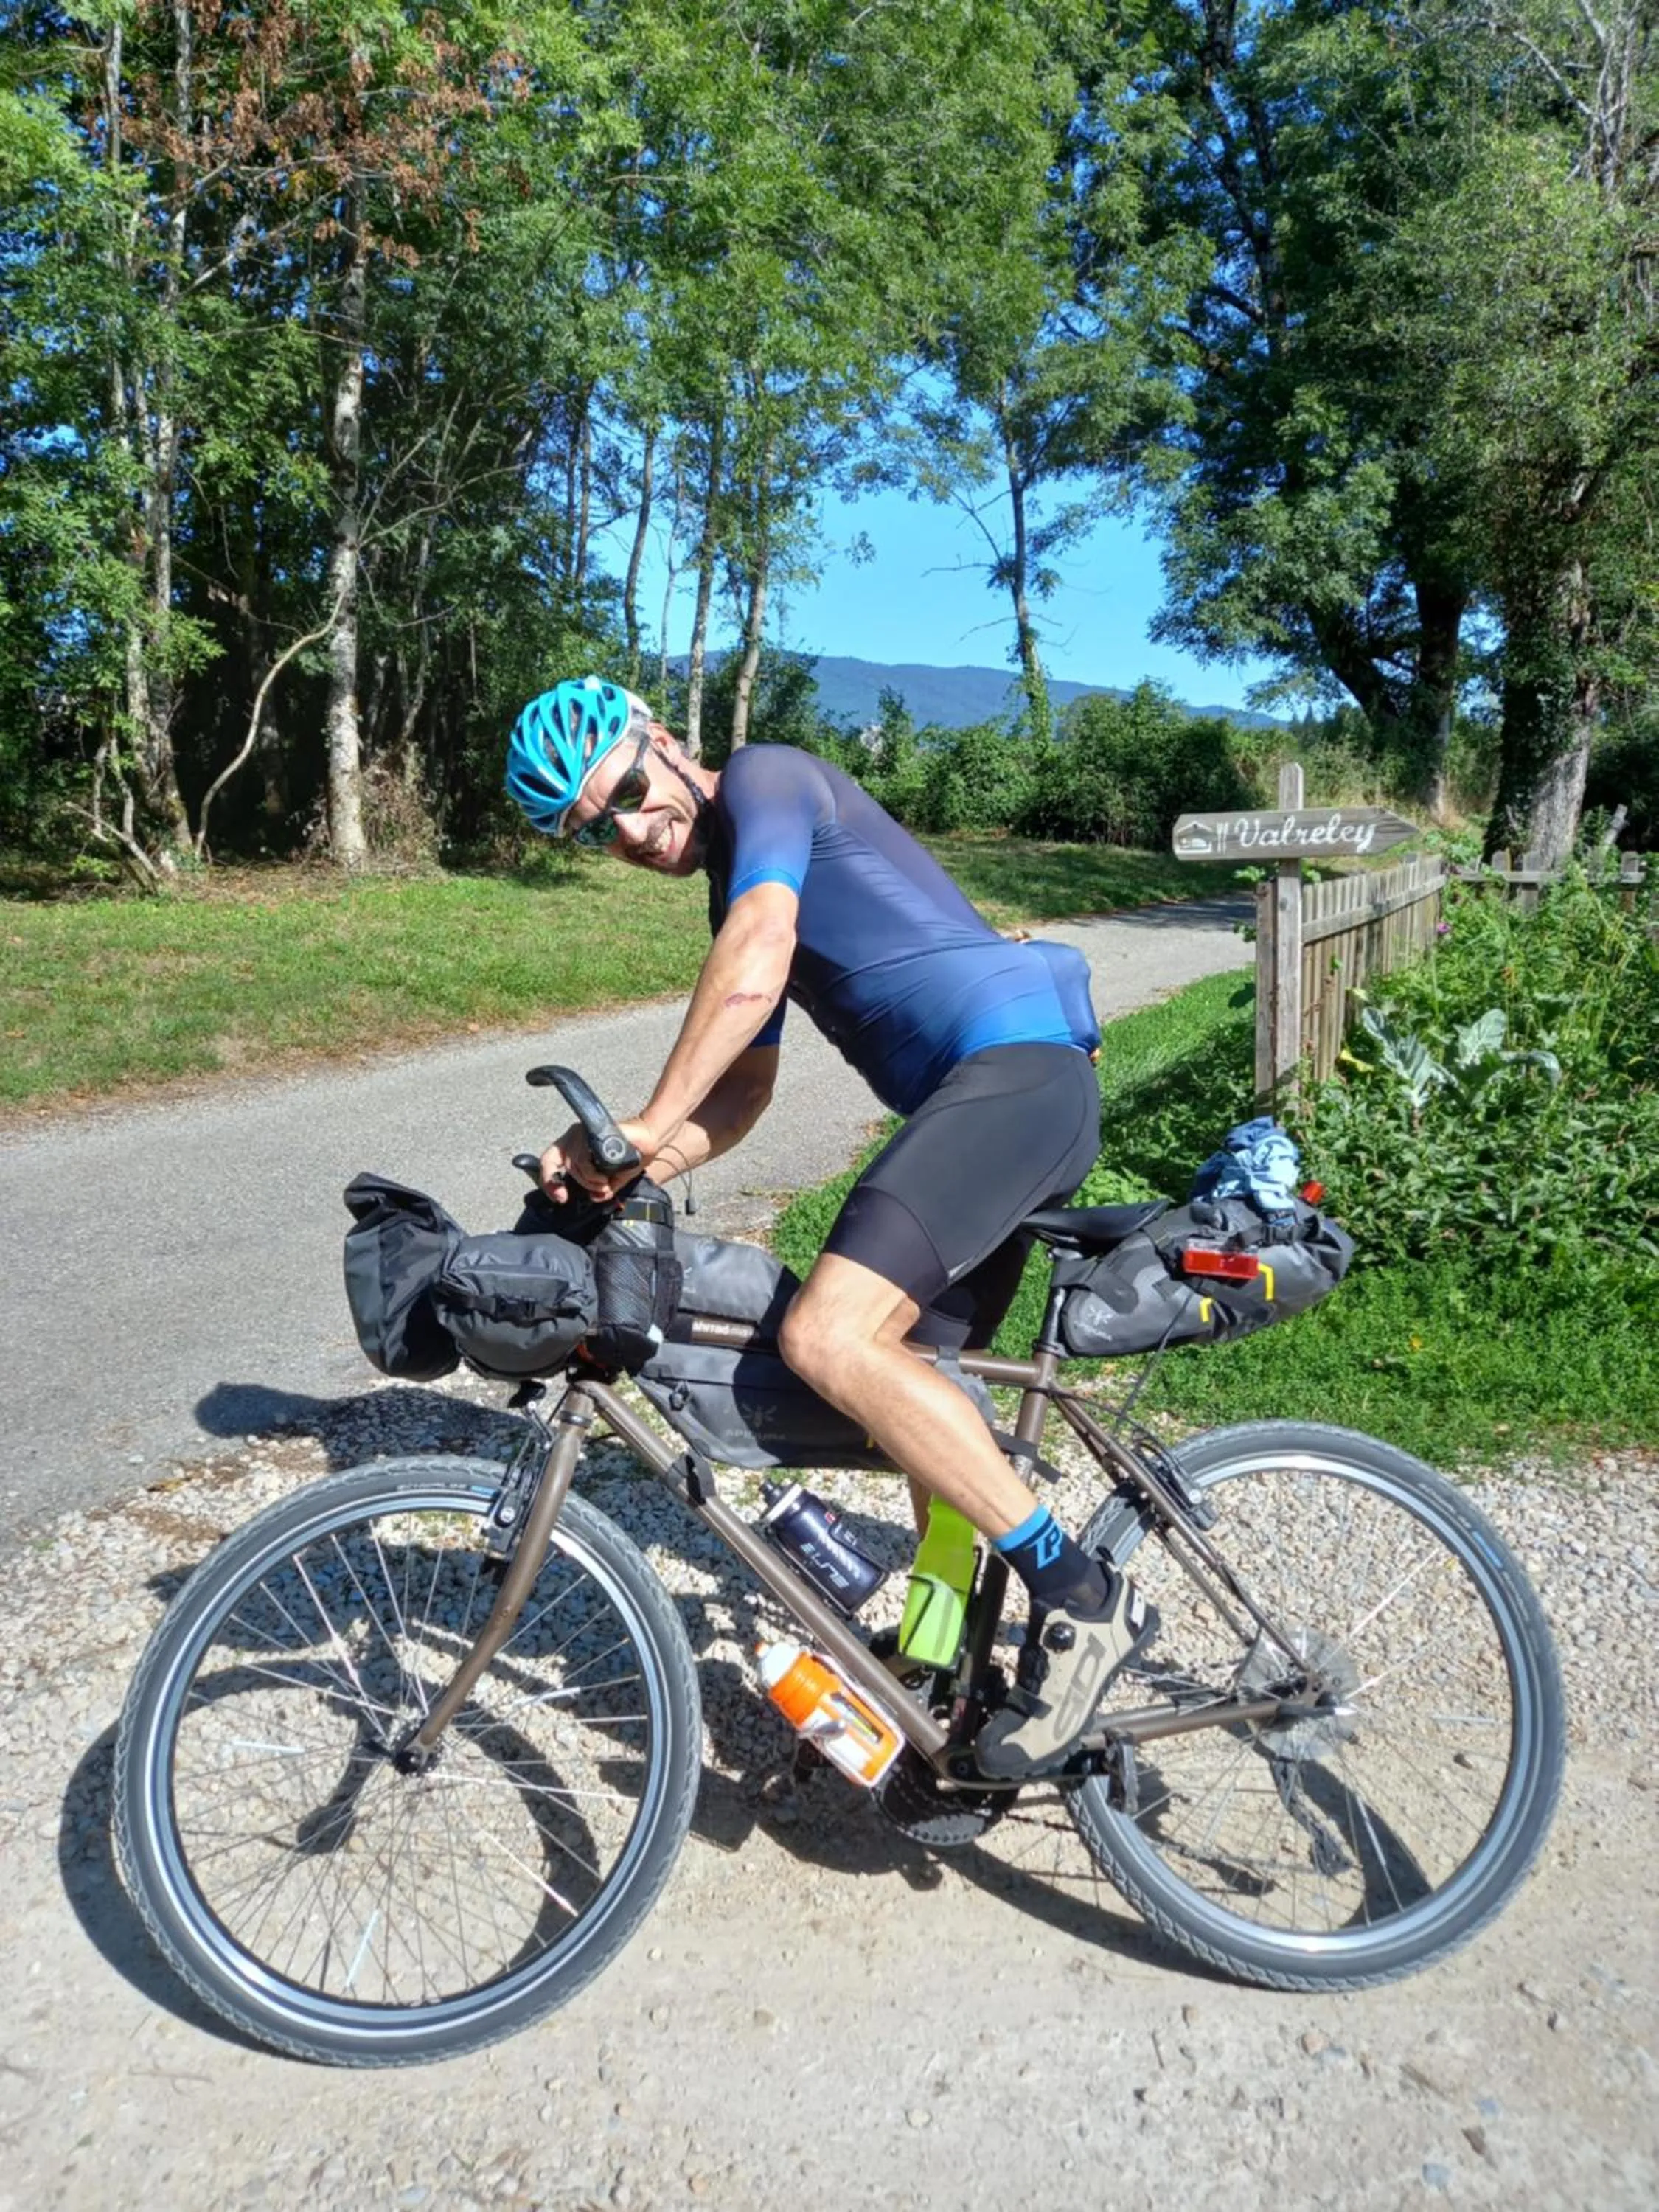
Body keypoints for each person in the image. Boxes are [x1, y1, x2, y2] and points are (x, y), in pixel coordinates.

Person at [505, 674, 1155, 1778]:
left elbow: (758, 961)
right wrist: (630, 1169)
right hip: (996, 1092)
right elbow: (744, 1101)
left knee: (826, 1339)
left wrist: (642, 1122)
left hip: (1012, 1074)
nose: (624, 829)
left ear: (659, 741)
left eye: (618, 790)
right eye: (591, 831)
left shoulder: (767, 780)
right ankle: (948, 1666)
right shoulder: (735, 879)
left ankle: (1080, 1598)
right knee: (917, 1387)